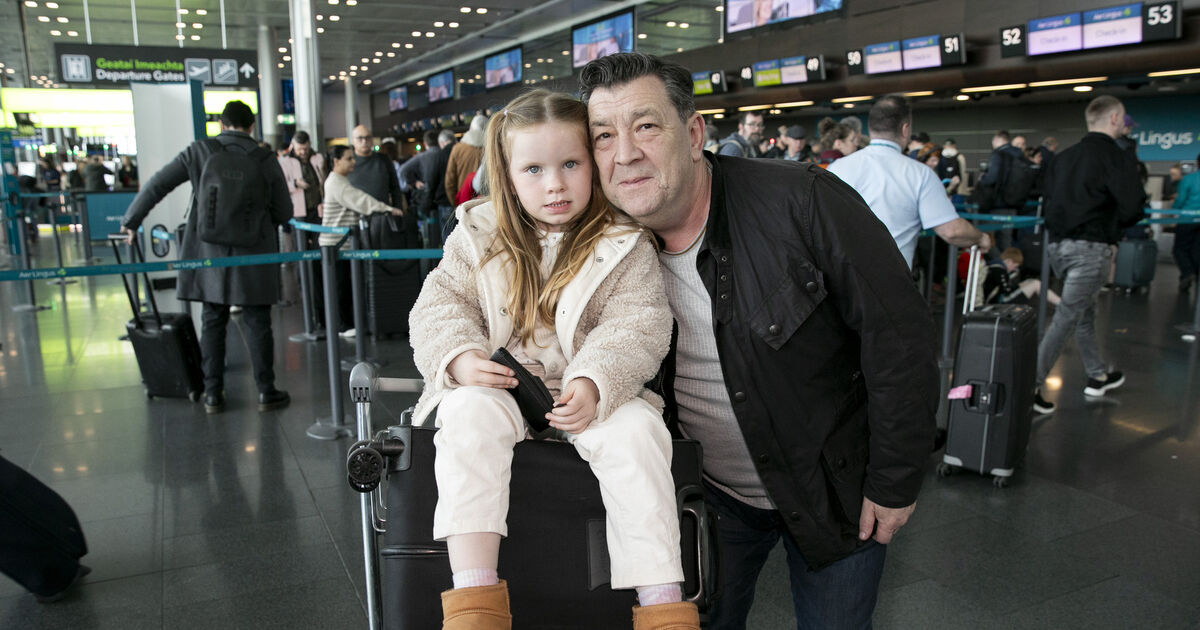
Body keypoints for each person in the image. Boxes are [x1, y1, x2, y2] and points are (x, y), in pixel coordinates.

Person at [581, 52, 938, 630]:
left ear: (693, 134)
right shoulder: (602, 246)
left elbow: (898, 338)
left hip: (835, 487)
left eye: (645, 126)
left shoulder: (804, 200)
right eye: (603, 135)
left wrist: (896, 480)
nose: (624, 153)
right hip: (709, 495)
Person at [408, 89, 696, 630]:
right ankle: (474, 602)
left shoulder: (624, 240)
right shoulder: (478, 234)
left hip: (593, 395)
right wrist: (461, 358)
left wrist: (595, 379)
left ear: (593, 162)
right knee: (468, 412)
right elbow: (439, 306)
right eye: (534, 170)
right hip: (502, 388)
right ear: (509, 175)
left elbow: (637, 322)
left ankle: (663, 607)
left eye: (570, 164)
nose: (555, 184)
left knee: (638, 434)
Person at [120, 101, 292, 415]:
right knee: (258, 322)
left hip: (209, 251)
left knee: (212, 320)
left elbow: (158, 184)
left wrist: (132, 220)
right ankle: (266, 391)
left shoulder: (199, 151)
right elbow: (284, 211)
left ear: (222, 124)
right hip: (253, 254)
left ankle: (213, 393)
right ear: (251, 126)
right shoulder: (264, 158)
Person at [1034, 95, 1146, 415]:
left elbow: (1047, 200)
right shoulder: (1116, 156)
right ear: (1114, 119)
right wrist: (1112, 224)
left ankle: (1097, 374)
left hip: (1058, 247)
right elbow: (1133, 207)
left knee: (1084, 312)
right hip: (1090, 249)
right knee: (1068, 316)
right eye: (1123, 118)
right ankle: (1030, 386)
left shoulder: (1063, 157)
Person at [829, 94, 990, 269]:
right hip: (889, 278)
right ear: (905, 129)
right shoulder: (920, 173)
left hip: (840, 277)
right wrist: (981, 237)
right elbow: (951, 231)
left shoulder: (836, 168)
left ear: (870, 128)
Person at [321, 145, 404, 336]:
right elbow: (360, 201)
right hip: (336, 244)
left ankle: (347, 323)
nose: (353, 162)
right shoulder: (336, 183)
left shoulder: (339, 180)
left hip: (341, 243)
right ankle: (344, 325)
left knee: (344, 285)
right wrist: (387, 209)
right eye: (349, 158)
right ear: (336, 162)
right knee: (340, 287)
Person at [289, 131, 326, 247]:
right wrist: (295, 184)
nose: (303, 152)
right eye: (299, 149)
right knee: (301, 245)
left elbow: (324, 180)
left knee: (319, 243)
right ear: (293, 145)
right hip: (298, 211)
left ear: (309, 144)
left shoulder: (317, 158)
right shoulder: (286, 161)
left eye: (305, 148)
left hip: (317, 209)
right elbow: (281, 185)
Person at [1172, 153, 1200, 292]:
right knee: (1196, 250)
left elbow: (1180, 199)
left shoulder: (1189, 179)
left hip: (1187, 219)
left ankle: (1187, 273)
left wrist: (1174, 209)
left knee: (1179, 249)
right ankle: (1191, 276)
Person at [445, 114, 488, 203]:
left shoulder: (457, 148)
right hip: (485, 201)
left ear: (470, 129)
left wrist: (456, 203)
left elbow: (450, 181)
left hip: (464, 200)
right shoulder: (492, 148)